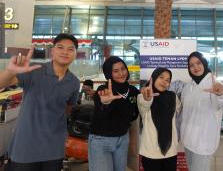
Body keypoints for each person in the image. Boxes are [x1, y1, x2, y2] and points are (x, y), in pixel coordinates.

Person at [0, 33, 80, 171]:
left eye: (70, 49)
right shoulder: (34, 70)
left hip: (54, 149)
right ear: (53, 51)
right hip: (25, 146)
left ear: (75, 54)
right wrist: (10, 71)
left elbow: (68, 108)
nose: (65, 52)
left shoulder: (74, 82)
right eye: (60, 47)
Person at [180, 51, 223, 171]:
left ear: (204, 63)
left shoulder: (215, 84)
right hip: (188, 141)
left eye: (198, 63)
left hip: (204, 143)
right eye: (191, 65)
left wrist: (221, 94)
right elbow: (185, 113)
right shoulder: (188, 87)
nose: (195, 67)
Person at [88, 56, 139, 171]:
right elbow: (100, 114)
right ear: (108, 74)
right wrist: (106, 103)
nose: (121, 73)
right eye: (115, 71)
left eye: (123, 68)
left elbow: (134, 114)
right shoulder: (103, 91)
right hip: (101, 140)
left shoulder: (133, 91)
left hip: (122, 139)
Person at [138, 67, 181, 171]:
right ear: (153, 78)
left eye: (167, 80)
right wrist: (147, 98)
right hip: (151, 152)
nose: (164, 81)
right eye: (161, 77)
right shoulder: (142, 96)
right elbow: (144, 105)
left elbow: (179, 109)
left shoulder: (172, 96)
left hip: (170, 151)